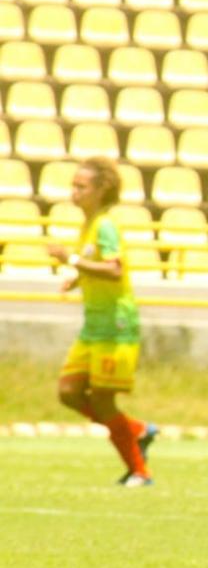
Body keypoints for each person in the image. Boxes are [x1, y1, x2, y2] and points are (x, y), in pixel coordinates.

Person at [47, 158, 157, 487]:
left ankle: (140, 471)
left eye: (81, 187)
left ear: (101, 190)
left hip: (115, 326)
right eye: (74, 186)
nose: (74, 192)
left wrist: (71, 259)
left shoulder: (105, 225)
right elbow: (96, 266)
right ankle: (135, 430)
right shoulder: (90, 225)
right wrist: (77, 278)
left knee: (102, 400)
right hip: (93, 326)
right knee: (68, 392)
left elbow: (115, 270)